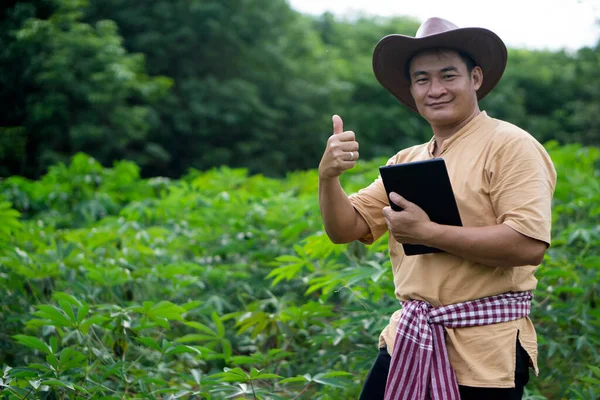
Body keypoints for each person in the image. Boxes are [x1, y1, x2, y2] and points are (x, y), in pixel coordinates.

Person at [317, 17, 557, 400]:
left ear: (475, 78)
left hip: (484, 354)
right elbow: (344, 228)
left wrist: (428, 233)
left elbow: (527, 245)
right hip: (409, 338)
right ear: (411, 89)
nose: (435, 90)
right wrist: (328, 177)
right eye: (422, 79)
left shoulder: (510, 145)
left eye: (448, 76)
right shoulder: (406, 161)